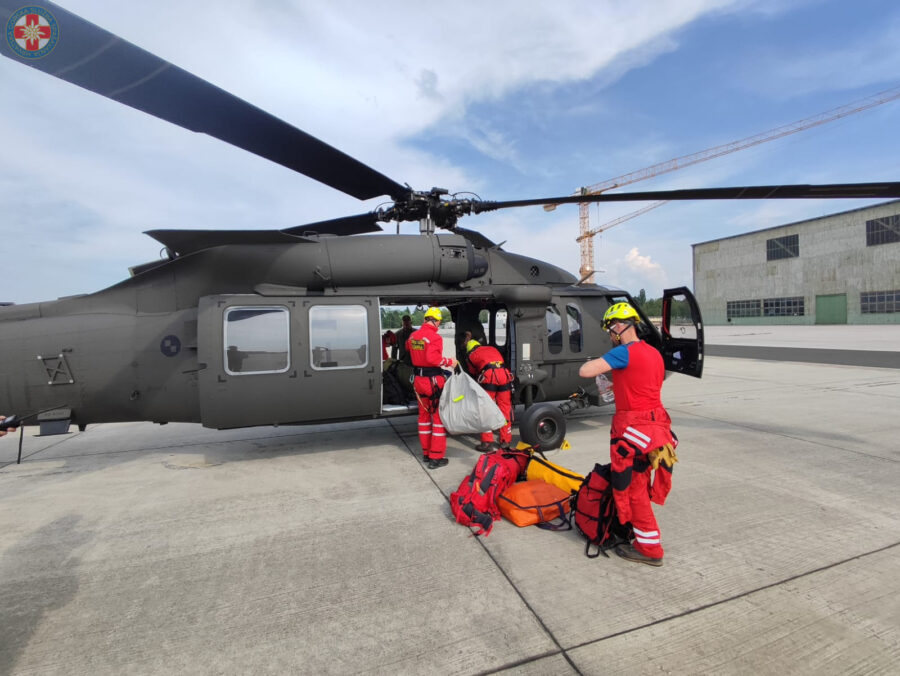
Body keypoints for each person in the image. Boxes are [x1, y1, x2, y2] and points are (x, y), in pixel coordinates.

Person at [578, 302, 677, 567]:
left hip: (634, 429)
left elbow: (585, 371)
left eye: (610, 329)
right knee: (641, 482)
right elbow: (644, 383)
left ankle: (650, 549)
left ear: (620, 326)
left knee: (634, 490)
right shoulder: (654, 353)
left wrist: (600, 362)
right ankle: (637, 533)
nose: (611, 335)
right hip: (657, 429)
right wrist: (619, 384)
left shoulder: (624, 352)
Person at [407, 307, 456, 469]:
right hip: (433, 381)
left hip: (418, 381)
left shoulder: (413, 336)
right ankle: (436, 457)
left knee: (423, 418)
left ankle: (426, 453)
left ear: (425, 319)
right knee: (438, 419)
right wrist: (450, 362)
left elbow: (409, 349)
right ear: (437, 321)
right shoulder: (435, 337)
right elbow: (433, 359)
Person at [463, 336, 513, 452]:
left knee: (485, 409)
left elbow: (472, 372)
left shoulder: (471, 355)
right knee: (505, 408)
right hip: (504, 375)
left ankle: (487, 442)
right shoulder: (492, 348)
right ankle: (505, 441)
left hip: (490, 377)